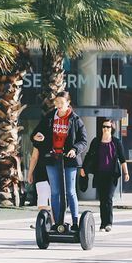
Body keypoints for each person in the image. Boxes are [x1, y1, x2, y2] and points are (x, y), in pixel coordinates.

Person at [31, 91, 88, 231]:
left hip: (69, 159)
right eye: (57, 102)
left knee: (70, 191)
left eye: (62, 103)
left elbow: (83, 141)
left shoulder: (75, 119)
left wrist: (74, 149)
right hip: (52, 158)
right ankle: (57, 223)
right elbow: (36, 133)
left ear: (68, 103)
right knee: (55, 192)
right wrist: (36, 136)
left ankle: (75, 222)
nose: (59, 105)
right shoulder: (50, 117)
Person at [82, 119, 129, 231]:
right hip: (100, 174)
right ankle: (103, 224)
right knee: (102, 199)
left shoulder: (116, 142)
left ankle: (109, 223)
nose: (105, 128)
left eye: (108, 127)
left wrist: (126, 173)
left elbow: (122, 159)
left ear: (112, 129)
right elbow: (89, 155)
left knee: (108, 198)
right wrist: (83, 168)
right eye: (104, 126)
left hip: (112, 175)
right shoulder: (96, 141)